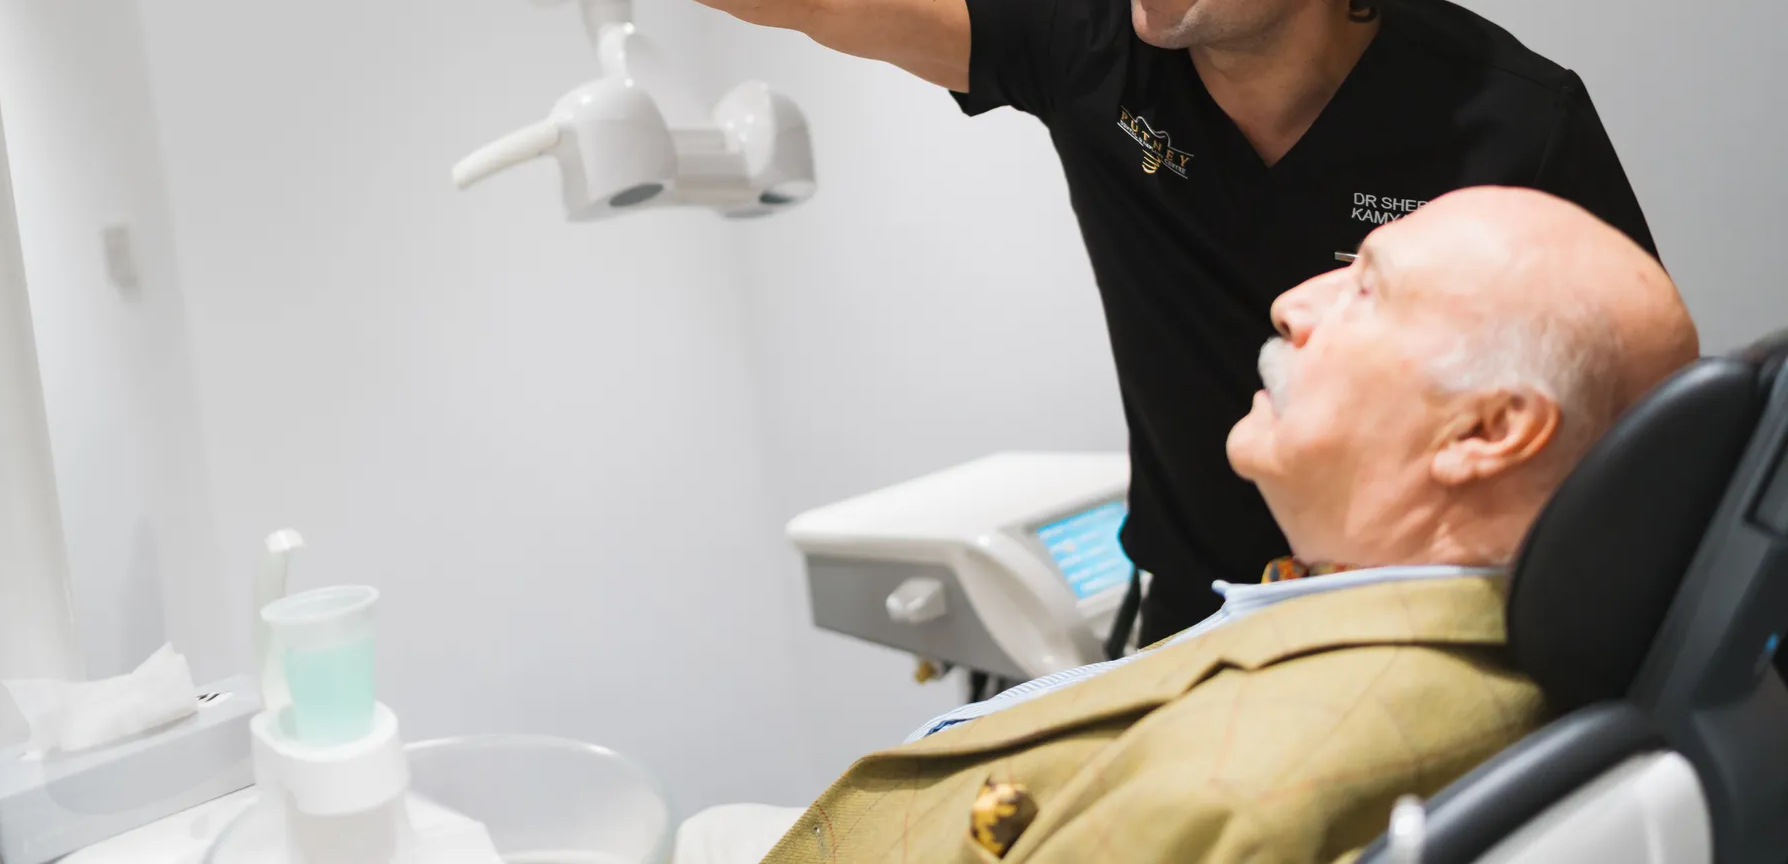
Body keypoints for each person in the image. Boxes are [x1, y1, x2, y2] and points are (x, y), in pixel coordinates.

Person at [301, 0, 1661, 643]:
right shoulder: (1093, 43)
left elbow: (1628, 411)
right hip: (1195, 624)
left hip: (1436, 629)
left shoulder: (1507, 120)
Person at [675, 186, 1698, 864]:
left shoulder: (1232, 795)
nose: (1298, 300)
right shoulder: (1459, 628)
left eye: (1368, 286)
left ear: (1487, 430)